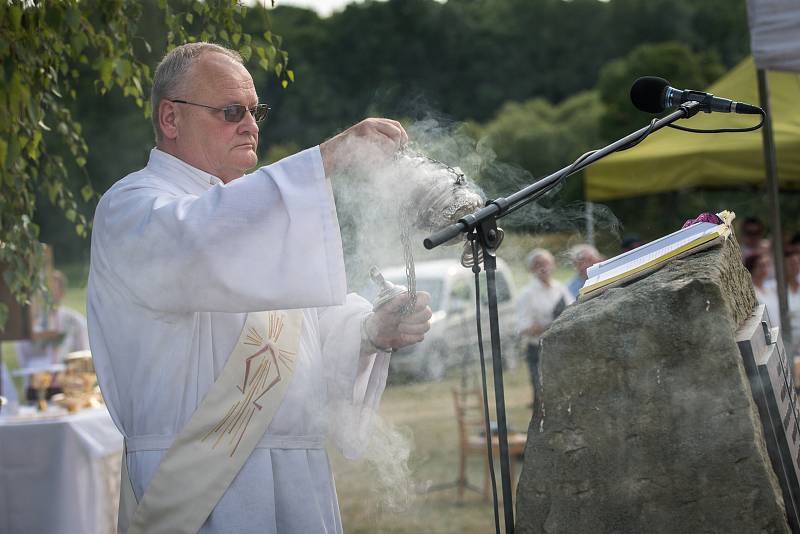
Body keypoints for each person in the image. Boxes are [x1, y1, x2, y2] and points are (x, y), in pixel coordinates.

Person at [87, 42, 431, 533]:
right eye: (230, 111)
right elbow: (200, 241)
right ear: (170, 118)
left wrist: (373, 330)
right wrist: (325, 159)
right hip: (196, 483)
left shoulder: (254, 217)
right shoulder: (133, 207)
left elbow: (309, 333)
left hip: (297, 474)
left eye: (254, 111)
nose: (250, 125)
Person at [16, 270, 89, 400]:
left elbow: (83, 352)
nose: (48, 295)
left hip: (66, 385)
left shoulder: (73, 321)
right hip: (37, 387)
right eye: (44, 290)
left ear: (62, 293)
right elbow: (23, 354)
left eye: (53, 290)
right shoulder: (31, 323)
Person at [516, 249, 574, 406]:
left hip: (560, 347)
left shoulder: (560, 288)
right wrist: (549, 326)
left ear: (552, 265)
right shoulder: (527, 294)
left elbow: (572, 311)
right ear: (531, 269)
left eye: (546, 263)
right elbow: (523, 327)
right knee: (543, 394)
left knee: (564, 391)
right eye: (538, 264)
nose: (543, 267)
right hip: (538, 349)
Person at [743, 252, 779, 329]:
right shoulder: (750, 292)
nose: (765, 269)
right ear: (752, 268)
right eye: (761, 266)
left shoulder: (770, 290)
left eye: (767, 265)